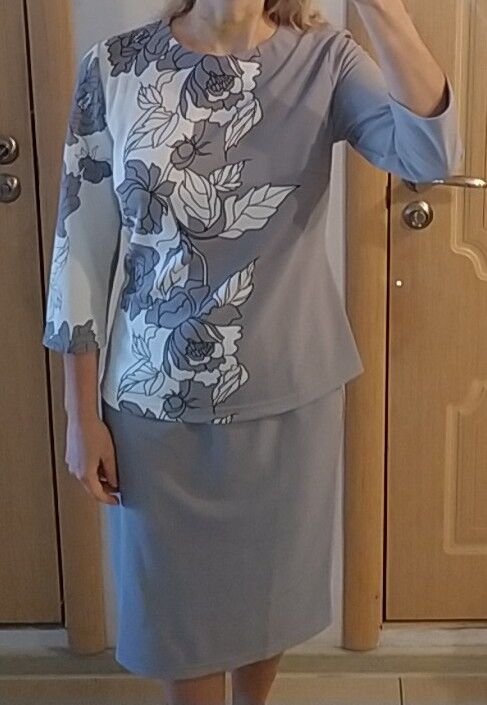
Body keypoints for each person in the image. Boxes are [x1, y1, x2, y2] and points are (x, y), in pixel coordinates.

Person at [41, 0, 463, 703]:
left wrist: (383, 11)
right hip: (153, 402)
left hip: (288, 395)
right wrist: (79, 414)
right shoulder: (114, 67)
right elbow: (79, 249)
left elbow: (431, 156)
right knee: (179, 620)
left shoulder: (325, 60)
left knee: (266, 604)